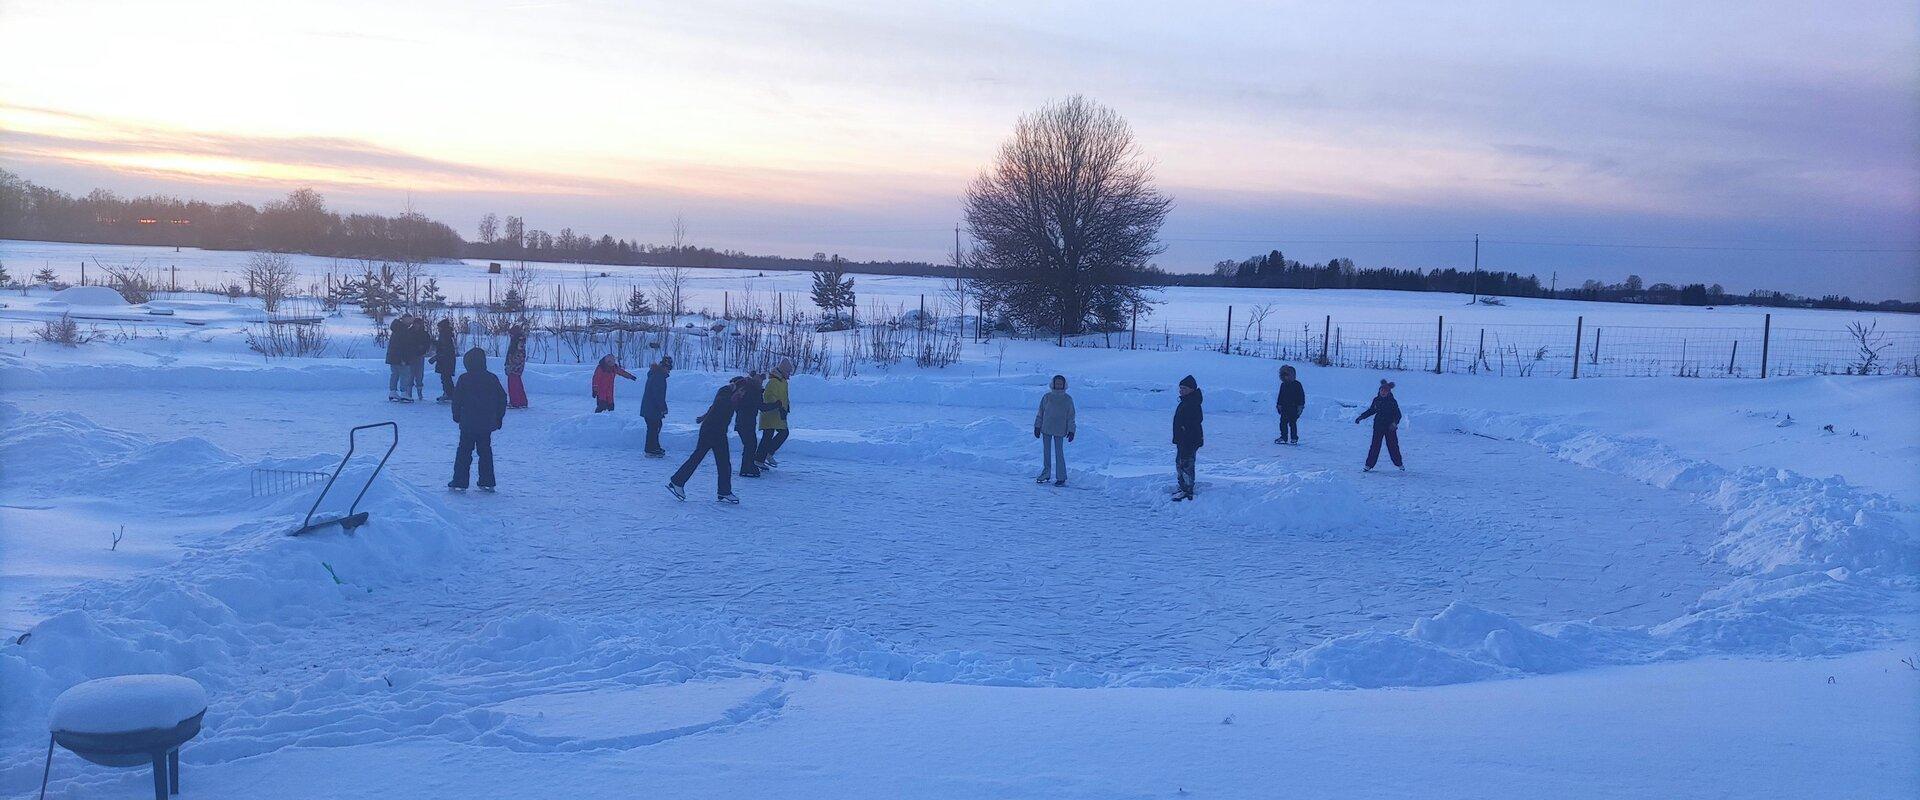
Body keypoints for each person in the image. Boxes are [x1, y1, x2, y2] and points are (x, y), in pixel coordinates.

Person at [666, 383, 739, 503]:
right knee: (698, 458)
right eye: (741, 391)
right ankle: (677, 481)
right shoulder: (725, 393)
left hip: (718, 432)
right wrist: (732, 399)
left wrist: (702, 417)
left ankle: (724, 491)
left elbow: (713, 407)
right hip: (711, 432)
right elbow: (720, 402)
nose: (742, 394)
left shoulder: (733, 397)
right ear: (735, 387)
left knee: (723, 462)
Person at [449, 347, 507, 492]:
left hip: (468, 423)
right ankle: (487, 481)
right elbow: (502, 398)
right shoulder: (491, 378)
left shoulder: (464, 379)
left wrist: (456, 415)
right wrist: (499, 417)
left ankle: (459, 481)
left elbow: (456, 399)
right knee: (485, 452)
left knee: (464, 452)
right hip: (486, 424)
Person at [1033, 373, 1076, 486]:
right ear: (1053, 384)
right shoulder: (1047, 397)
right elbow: (1040, 412)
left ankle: (1061, 476)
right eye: (1056, 383)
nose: (1058, 385)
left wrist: (1072, 430)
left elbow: (1071, 416)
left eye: (1060, 384)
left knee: (1059, 453)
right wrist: (1037, 426)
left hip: (1060, 429)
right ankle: (1046, 474)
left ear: (1064, 385)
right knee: (1046, 453)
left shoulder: (1067, 399)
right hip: (1046, 428)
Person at [1354, 379, 1404, 471]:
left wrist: (1394, 423)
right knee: (1375, 446)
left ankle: (1399, 464)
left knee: (1393, 446)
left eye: (1386, 391)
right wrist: (1361, 417)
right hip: (1378, 426)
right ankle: (1368, 465)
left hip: (1390, 428)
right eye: (1382, 390)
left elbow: (1398, 415)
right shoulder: (1376, 400)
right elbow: (1372, 410)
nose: (1383, 392)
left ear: (1389, 392)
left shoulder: (1393, 401)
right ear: (1379, 391)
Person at [1171, 374, 1204, 501]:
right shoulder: (1186, 401)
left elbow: (1195, 421)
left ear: (1191, 389)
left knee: (1186, 464)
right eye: (1180, 388)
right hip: (1183, 439)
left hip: (1189, 440)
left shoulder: (1193, 403)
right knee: (1180, 463)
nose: (1181, 390)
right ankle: (1183, 486)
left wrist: (1185, 431)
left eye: (1184, 388)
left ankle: (1187, 489)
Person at [756, 360, 792, 469]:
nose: (789, 374)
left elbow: (784, 396)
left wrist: (787, 407)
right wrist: (779, 407)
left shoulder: (783, 382)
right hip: (770, 414)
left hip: (779, 413)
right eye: (788, 372)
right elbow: (769, 397)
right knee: (773, 435)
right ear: (783, 371)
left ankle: (762, 457)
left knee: (779, 434)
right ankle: (762, 457)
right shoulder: (773, 382)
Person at [733, 372, 764, 478]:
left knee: (749, 445)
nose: (762, 383)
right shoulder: (754, 392)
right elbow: (762, 406)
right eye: (761, 381)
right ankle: (747, 468)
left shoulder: (748, 390)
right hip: (747, 423)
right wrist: (777, 404)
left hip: (742, 422)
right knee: (750, 445)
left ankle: (747, 467)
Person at [640, 356, 672, 457]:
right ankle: (650, 449)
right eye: (668, 368)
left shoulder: (656, 374)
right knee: (654, 427)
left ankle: (654, 447)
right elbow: (658, 394)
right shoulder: (659, 376)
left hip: (650, 407)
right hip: (652, 408)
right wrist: (663, 408)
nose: (669, 371)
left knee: (656, 426)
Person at [429, 318, 458, 403]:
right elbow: (442, 346)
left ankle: (448, 393)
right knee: (446, 378)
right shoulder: (446, 335)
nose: (438, 329)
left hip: (446, 361)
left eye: (439, 327)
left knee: (446, 378)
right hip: (447, 360)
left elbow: (445, 350)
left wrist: (435, 358)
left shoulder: (444, 335)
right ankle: (449, 393)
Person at [1275, 364, 1305, 445]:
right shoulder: (1283, 385)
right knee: (1283, 423)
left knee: (1292, 423)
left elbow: (1301, 396)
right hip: (1285, 408)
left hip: (1294, 408)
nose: (1285, 377)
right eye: (1283, 375)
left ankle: (1294, 438)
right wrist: (1279, 405)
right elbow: (1280, 396)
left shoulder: (1297, 385)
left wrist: (1300, 406)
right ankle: (1283, 437)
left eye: (1287, 375)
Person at [384, 318, 411, 402]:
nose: (411, 322)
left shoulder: (396, 329)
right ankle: (404, 393)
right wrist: (403, 358)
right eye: (409, 320)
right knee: (404, 375)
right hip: (400, 358)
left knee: (395, 374)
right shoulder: (403, 330)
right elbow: (403, 346)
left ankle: (393, 392)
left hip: (392, 357)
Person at [504, 323, 529, 409]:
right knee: (517, 383)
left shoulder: (517, 342)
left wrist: (510, 365)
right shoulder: (519, 341)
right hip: (517, 367)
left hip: (514, 367)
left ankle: (515, 402)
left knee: (513, 384)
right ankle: (522, 401)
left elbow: (515, 355)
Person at [407, 316, 431, 402]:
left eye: (418, 324)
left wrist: (423, 349)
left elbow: (428, 344)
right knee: (410, 376)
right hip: (410, 357)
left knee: (419, 376)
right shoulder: (408, 333)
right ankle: (408, 394)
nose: (417, 326)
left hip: (420, 357)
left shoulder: (424, 334)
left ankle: (420, 394)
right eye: (415, 324)